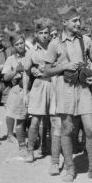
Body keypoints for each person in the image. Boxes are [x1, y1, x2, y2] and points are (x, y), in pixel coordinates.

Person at [43, 7, 92, 182]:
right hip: (65, 88)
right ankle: (70, 169)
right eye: (75, 21)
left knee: (91, 129)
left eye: (79, 20)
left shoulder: (85, 40)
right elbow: (46, 70)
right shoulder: (55, 43)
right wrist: (64, 66)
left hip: (84, 88)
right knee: (67, 129)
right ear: (64, 22)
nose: (79, 23)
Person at [23, 20, 58, 169]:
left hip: (55, 85)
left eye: (46, 33)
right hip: (38, 85)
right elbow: (25, 72)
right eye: (41, 33)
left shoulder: (56, 47)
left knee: (56, 121)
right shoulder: (31, 51)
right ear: (36, 35)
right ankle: (30, 151)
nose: (44, 36)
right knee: (36, 120)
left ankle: (53, 153)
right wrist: (25, 93)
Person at [1, 33, 29, 153]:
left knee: (32, 119)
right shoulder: (11, 59)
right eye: (17, 44)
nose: (20, 46)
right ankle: (22, 146)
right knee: (19, 118)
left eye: (21, 43)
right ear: (13, 46)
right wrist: (15, 71)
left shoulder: (30, 55)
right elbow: (6, 77)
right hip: (17, 91)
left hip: (31, 90)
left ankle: (35, 142)